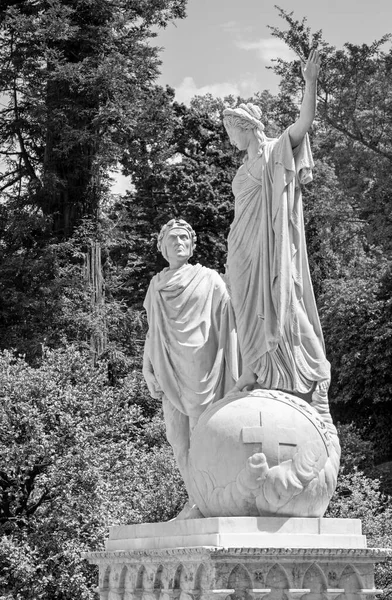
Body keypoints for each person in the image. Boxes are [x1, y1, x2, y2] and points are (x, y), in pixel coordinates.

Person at [222, 49, 332, 416]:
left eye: (232, 130)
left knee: (283, 301)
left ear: (247, 127)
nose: (230, 138)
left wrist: (310, 83)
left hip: (270, 245)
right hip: (241, 248)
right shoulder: (242, 168)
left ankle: (317, 372)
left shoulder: (274, 151)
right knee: (245, 309)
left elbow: (303, 124)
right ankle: (254, 369)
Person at [143, 218, 239, 518]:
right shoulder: (156, 284)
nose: (179, 242)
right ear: (162, 247)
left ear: (193, 244)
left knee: (203, 438)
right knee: (177, 440)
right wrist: (146, 367)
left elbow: (232, 315)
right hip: (167, 366)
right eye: (172, 239)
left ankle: (207, 502)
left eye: (184, 237)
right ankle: (197, 498)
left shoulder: (209, 279)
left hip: (202, 368)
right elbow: (152, 331)